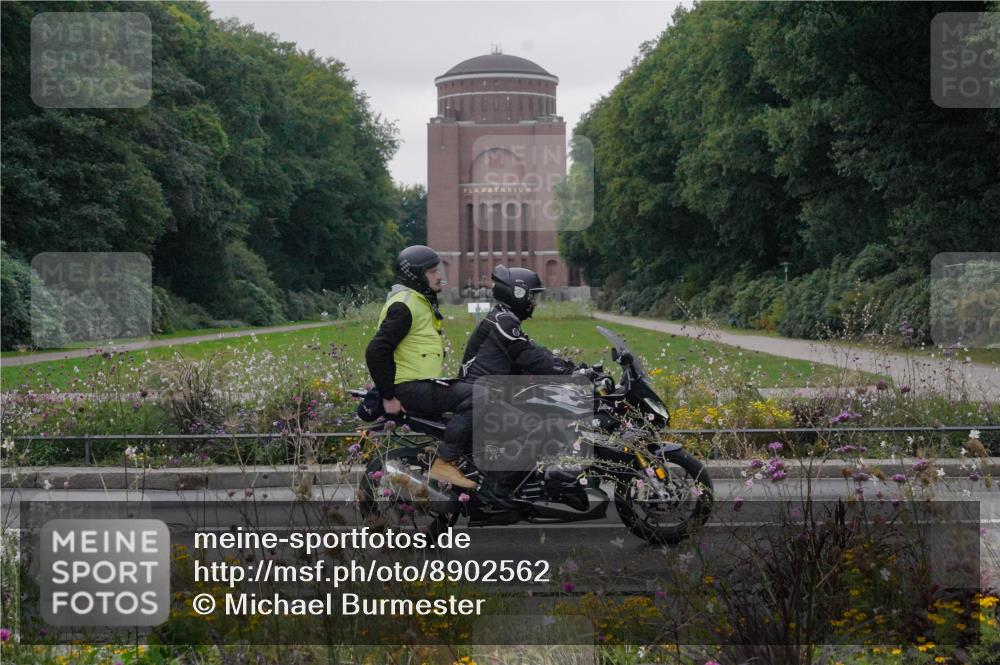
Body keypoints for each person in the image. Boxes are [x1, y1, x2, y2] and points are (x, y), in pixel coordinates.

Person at [364, 245, 476, 488]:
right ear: (415, 275)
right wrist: (388, 397)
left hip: (421, 384)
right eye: (433, 271)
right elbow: (376, 350)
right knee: (481, 396)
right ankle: (446, 462)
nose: (439, 276)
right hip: (409, 387)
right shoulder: (405, 305)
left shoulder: (418, 301)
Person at [459, 265, 576, 380]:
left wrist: (568, 366)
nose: (534, 303)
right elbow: (530, 358)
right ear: (518, 294)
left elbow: (532, 349)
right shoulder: (502, 321)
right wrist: (571, 373)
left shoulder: (501, 317)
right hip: (477, 393)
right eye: (532, 297)